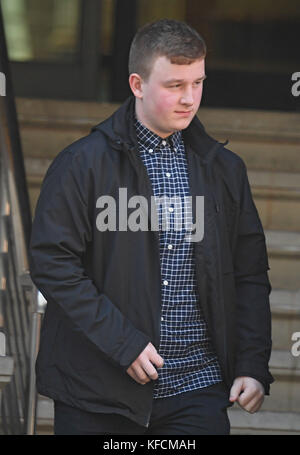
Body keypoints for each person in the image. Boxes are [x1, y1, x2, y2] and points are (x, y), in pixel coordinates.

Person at [29, 19, 274, 435]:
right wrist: (122, 343)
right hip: (97, 392)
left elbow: (249, 274)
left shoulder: (224, 170)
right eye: (175, 85)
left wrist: (252, 363)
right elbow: (53, 264)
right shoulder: (81, 164)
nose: (189, 98)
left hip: (198, 390)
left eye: (198, 82)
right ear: (137, 84)